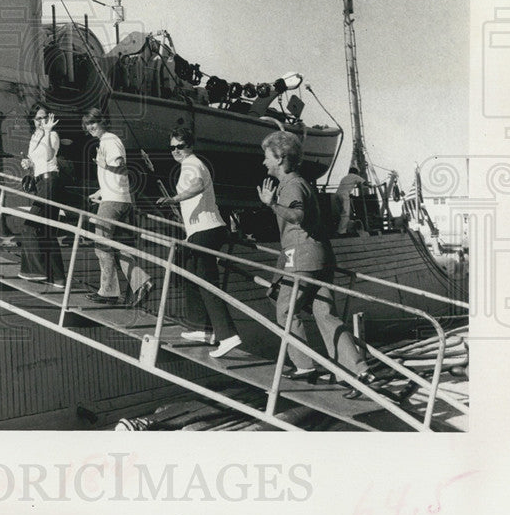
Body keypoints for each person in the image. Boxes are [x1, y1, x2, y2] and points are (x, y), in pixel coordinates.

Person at [258, 131, 377, 398]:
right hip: (321, 258)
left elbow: (297, 216)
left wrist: (272, 204)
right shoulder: (303, 183)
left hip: (302, 259)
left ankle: (304, 365)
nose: (264, 162)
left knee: (286, 311)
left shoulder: (290, 185)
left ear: (280, 158)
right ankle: (358, 371)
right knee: (326, 315)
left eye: (267, 157)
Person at [156, 128, 242, 358]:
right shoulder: (191, 163)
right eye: (172, 147)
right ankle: (202, 328)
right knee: (190, 274)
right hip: (200, 231)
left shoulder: (191, 164)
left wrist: (174, 199)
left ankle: (227, 335)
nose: (176, 151)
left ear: (190, 146)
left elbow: (197, 186)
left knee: (206, 282)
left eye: (180, 146)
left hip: (206, 230)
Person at [81, 108, 153, 308]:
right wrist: (100, 191)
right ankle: (142, 282)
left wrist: (104, 165)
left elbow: (120, 166)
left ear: (102, 121)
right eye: (87, 124)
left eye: (93, 122)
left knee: (101, 244)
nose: (90, 127)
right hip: (119, 199)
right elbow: (117, 176)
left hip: (113, 202)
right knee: (118, 246)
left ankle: (109, 291)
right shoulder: (109, 140)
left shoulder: (108, 141)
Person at [17, 103, 67, 287]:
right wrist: (28, 163)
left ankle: (36, 272)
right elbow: (37, 160)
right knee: (47, 231)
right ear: (33, 120)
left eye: (44, 117)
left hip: (50, 181)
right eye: (38, 118)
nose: (41, 121)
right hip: (40, 182)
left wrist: (47, 131)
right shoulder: (35, 136)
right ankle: (58, 277)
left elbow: (47, 157)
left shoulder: (52, 135)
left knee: (29, 227)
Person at [335, 166, 365, 235]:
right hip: (344, 195)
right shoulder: (355, 176)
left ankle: (339, 229)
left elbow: (344, 187)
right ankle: (342, 232)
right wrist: (371, 186)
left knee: (341, 214)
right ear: (356, 172)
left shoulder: (344, 177)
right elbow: (364, 182)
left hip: (337, 195)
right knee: (345, 214)